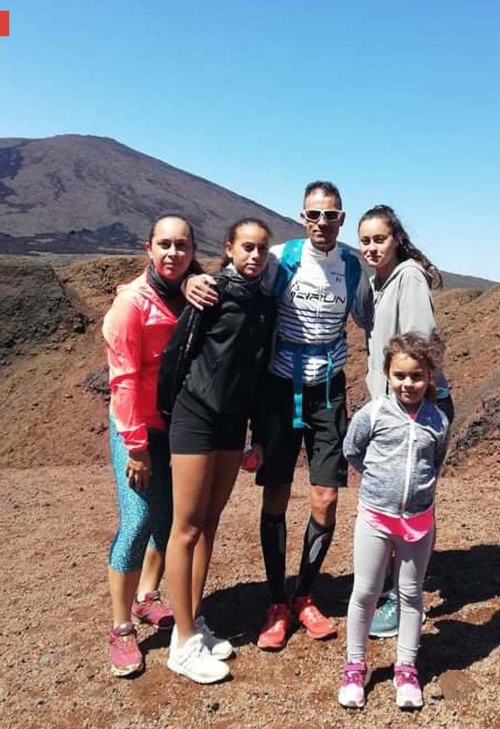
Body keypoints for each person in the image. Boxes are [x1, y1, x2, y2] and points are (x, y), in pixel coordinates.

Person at [184, 181, 367, 651]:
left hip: (328, 392)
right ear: (303, 218)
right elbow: (237, 281)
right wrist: (192, 279)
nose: (322, 223)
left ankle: (304, 595)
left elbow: (376, 314)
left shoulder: (352, 266)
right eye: (313, 214)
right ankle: (276, 602)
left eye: (330, 215)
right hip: (280, 391)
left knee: (325, 499)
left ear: (341, 219)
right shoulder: (282, 258)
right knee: (276, 499)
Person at [159, 219, 277, 683]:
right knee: (185, 527)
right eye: (246, 247)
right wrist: (173, 415)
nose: (254, 256)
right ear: (229, 248)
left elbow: (260, 372)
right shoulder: (210, 292)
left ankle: (194, 621)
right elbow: (176, 355)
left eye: (261, 250)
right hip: (196, 414)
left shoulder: (265, 303)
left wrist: (258, 432)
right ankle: (181, 641)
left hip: (233, 422)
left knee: (209, 523)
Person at [102, 214, 201, 677]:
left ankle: (147, 597)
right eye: (164, 245)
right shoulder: (130, 304)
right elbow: (121, 380)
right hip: (136, 426)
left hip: (175, 425)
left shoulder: (193, 292)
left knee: (168, 519)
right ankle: (121, 627)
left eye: (182, 245)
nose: (172, 254)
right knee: (138, 518)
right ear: (148, 248)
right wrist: (136, 447)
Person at [338, 333, 450, 710]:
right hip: (375, 517)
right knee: (365, 592)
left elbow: (436, 459)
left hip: (418, 520)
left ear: (429, 376)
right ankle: (355, 665)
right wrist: (377, 484)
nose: (408, 384)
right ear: (387, 373)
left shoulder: (438, 420)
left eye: (417, 376)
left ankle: (406, 667)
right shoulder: (372, 414)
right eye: (399, 375)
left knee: (410, 594)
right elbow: (353, 451)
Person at [357, 204, 454, 639]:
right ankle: (394, 590)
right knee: (394, 499)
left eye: (380, 239)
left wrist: (406, 411)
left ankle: (400, 599)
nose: (372, 247)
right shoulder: (380, 282)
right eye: (365, 240)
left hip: (411, 409)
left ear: (396, 238)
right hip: (395, 409)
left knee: (407, 502)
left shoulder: (408, 277)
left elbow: (418, 348)